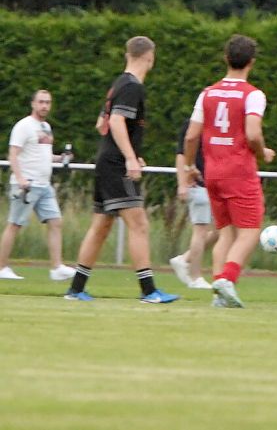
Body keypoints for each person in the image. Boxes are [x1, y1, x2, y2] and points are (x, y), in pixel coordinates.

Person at [65, 36, 179, 303]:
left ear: (128, 55)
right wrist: (129, 157)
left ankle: (76, 289)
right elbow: (116, 122)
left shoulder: (118, 84)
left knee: (101, 225)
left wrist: (131, 154)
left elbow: (101, 124)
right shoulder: (133, 86)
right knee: (139, 223)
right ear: (150, 58)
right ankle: (149, 291)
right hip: (116, 165)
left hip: (105, 160)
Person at [183, 34, 275, 308]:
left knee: (226, 233)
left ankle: (219, 298)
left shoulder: (207, 93)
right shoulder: (253, 95)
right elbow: (253, 133)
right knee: (250, 232)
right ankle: (227, 279)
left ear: (226, 58)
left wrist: (189, 166)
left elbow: (191, 136)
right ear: (252, 63)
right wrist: (263, 152)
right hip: (239, 171)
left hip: (212, 172)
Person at [0, 90, 76, 281]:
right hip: (27, 185)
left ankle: (57, 268)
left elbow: (44, 154)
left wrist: (61, 158)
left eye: (48, 102)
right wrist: (20, 179)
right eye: (41, 102)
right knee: (15, 224)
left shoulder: (46, 127)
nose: (44, 106)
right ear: (33, 104)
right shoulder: (24, 126)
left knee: (55, 222)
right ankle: (1, 267)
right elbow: (13, 154)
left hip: (44, 184)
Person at [170, 119, 217, 289]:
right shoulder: (191, 125)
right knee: (200, 231)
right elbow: (181, 155)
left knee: (222, 230)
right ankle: (196, 277)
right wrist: (182, 183)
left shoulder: (217, 124)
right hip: (198, 185)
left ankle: (185, 259)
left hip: (214, 185)